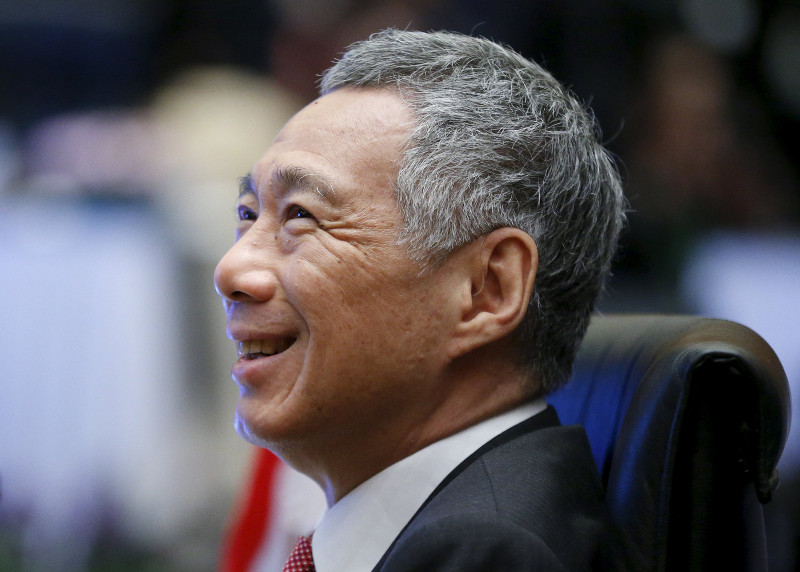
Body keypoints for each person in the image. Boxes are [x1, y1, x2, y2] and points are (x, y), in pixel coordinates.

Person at [213, 29, 626, 571]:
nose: (231, 269)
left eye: (300, 215)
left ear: (486, 289)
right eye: (248, 214)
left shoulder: (487, 557)